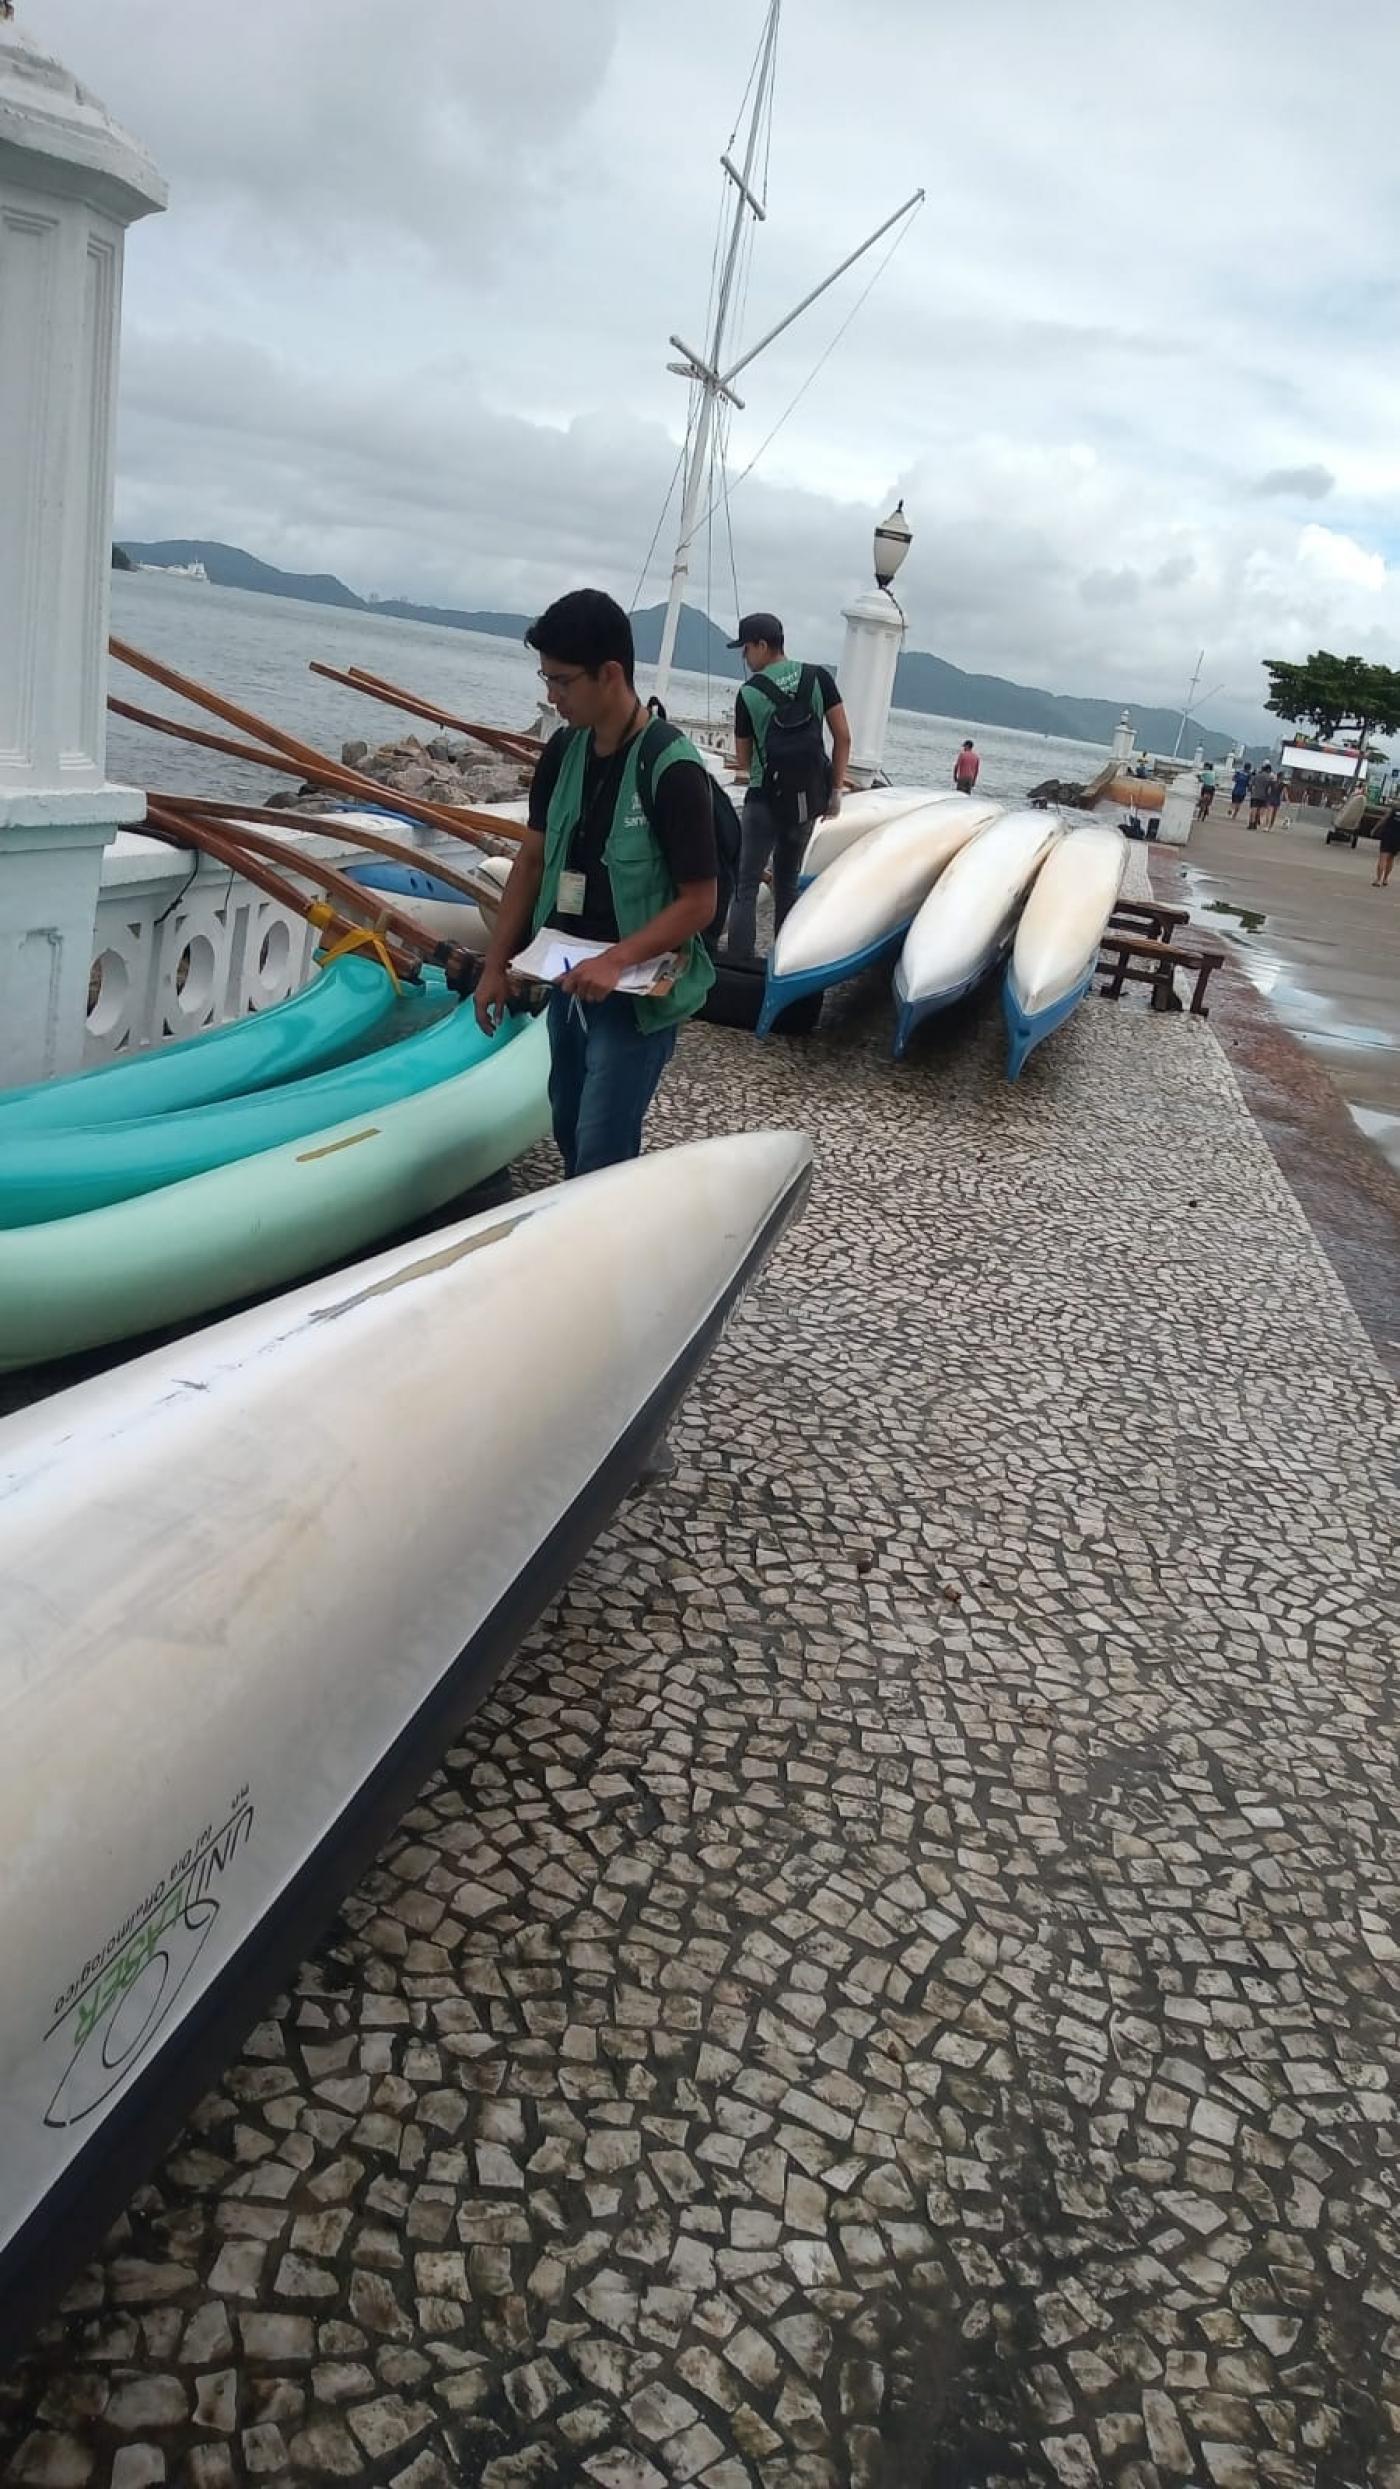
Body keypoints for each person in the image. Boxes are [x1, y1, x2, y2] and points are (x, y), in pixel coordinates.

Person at [473, 588, 717, 1180]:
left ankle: (598, 1252)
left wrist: (617, 960)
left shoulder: (672, 768)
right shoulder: (563, 753)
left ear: (610, 674)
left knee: (601, 1151)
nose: (551, 698)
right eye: (546, 679)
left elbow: (700, 902)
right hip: (566, 976)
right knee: (568, 1125)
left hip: (633, 997)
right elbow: (530, 864)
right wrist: (494, 966)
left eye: (561, 682)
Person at [724, 612, 850, 961]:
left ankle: (739, 964)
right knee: (787, 883)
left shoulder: (749, 693)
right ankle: (784, 961)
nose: (745, 658)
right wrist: (835, 791)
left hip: (764, 799)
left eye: (746, 649)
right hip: (806, 800)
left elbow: (745, 759)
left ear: (762, 645)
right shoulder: (818, 677)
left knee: (747, 885)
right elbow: (843, 737)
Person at [1374, 804, 1400, 888]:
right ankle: (1385, 879)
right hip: (1398, 838)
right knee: (1390, 859)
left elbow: (1383, 819)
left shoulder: (1394, 808)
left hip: (1388, 835)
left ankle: (1378, 880)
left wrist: (1375, 829)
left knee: (1383, 858)